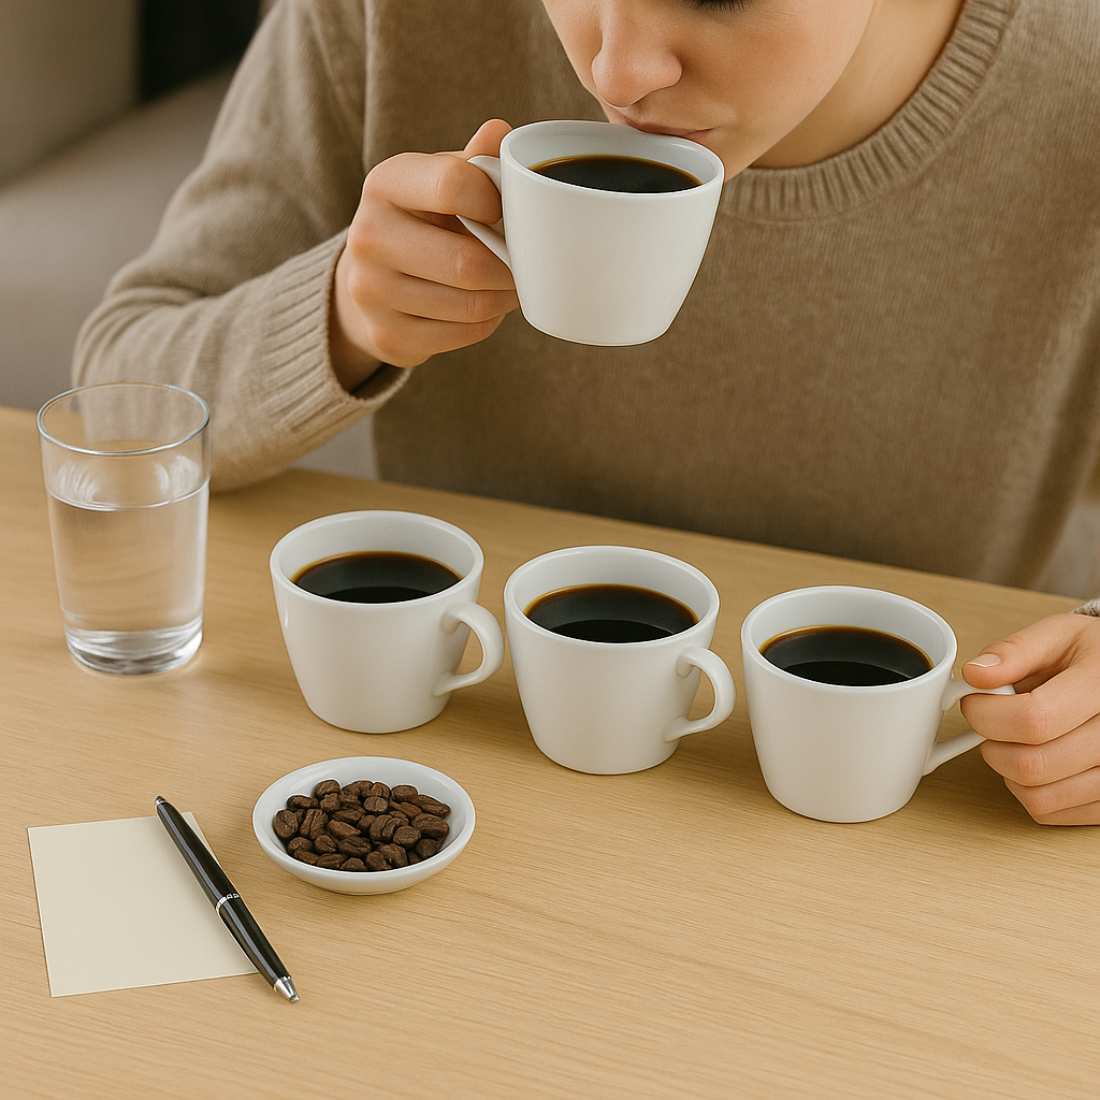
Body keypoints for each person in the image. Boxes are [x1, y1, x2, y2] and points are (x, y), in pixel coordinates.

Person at [74, 0, 1100, 823]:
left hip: (906, 803)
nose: (617, 70)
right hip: (476, 749)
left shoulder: (1076, 80)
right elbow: (120, 399)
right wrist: (341, 312)